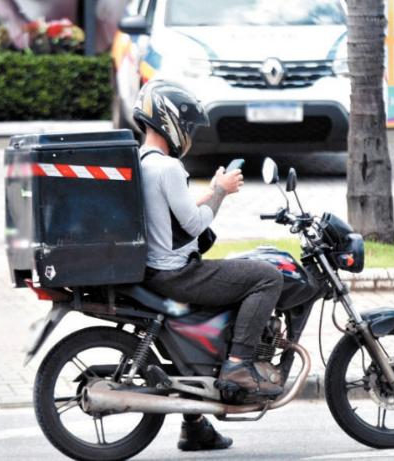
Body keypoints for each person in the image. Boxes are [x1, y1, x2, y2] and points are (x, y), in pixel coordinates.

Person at [133, 79, 285, 451]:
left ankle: (196, 427)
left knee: (242, 273)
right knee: (266, 277)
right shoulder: (168, 167)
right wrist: (223, 191)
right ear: (169, 120)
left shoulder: (143, 161)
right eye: (186, 123)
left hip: (157, 270)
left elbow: (172, 213)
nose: (188, 131)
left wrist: (212, 189)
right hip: (176, 273)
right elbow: (196, 224)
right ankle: (238, 363)